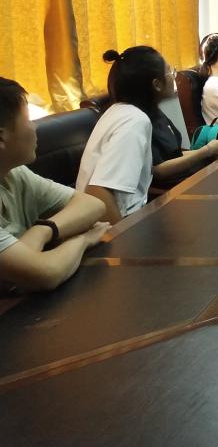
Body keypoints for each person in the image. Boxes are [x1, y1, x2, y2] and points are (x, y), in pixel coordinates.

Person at [0, 78, 109, 291]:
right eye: (28, 120)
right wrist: (83, 239)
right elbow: (47, 273)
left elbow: (93, 205)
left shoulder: (13, 174)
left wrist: (42, 231)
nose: (35, 127)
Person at [78, 47, 171, 221]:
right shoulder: (134, 121)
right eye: (170, 72)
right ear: (157, 84)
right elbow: (98, 193)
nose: (173, 77)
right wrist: (123, 236)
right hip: (119, 224)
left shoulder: (118, 111)